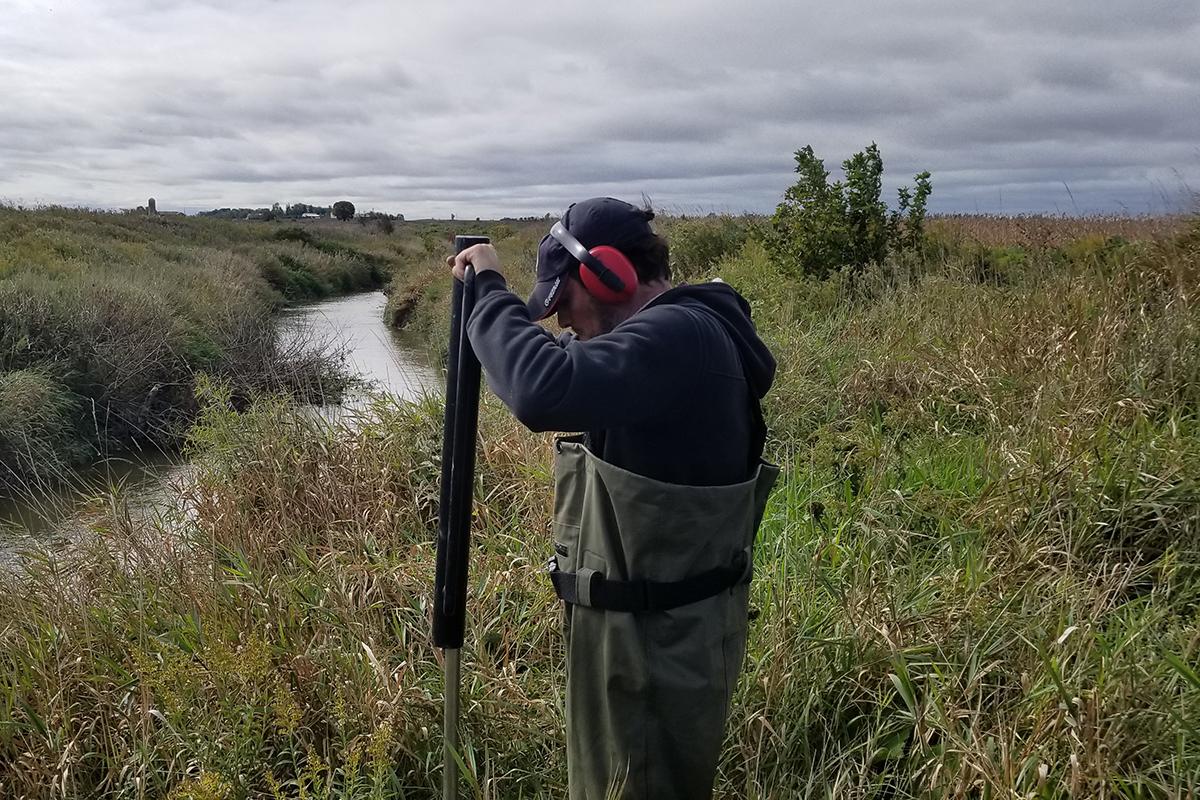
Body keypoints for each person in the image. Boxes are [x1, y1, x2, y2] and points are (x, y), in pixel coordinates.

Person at [447, 197, 778, 799]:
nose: (562, 322)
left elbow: (542, 389)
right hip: (650, 636)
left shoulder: (679, 335)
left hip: (651, 648)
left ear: (608, 274)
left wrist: (489, 291)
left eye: (563, 300)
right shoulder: (682, 339)